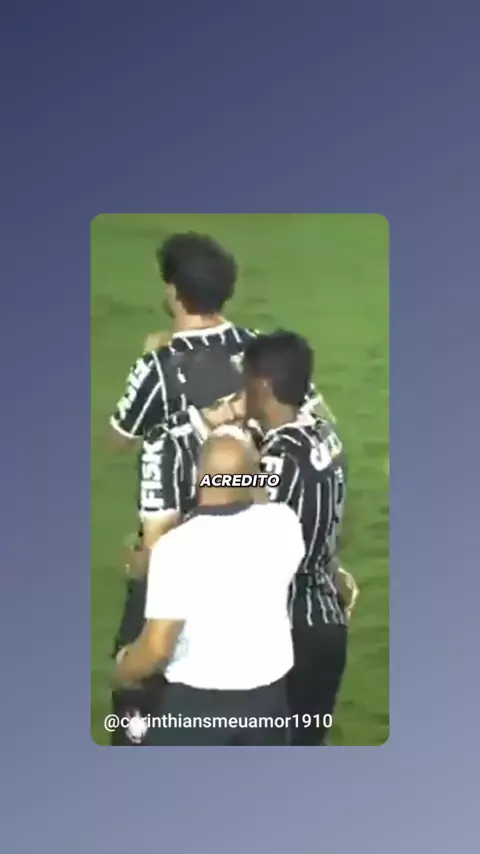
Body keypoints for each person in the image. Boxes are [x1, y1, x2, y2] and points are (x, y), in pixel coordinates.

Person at [113, 433, 305, 746]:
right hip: (268, 702)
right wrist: (249, 471)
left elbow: (157, 649)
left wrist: (124, 669)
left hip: (198, 705)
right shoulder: (284, 524)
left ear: (198, 477)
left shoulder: (176, 548)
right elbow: (259, 498)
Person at [109, 351, 246, 745]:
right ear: (197, 405)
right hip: (169, 588)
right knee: (142, 698)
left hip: (227, 592)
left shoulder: (245, 434)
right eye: (219, 404)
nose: (232, 412)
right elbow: (159, 545)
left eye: (236, 398)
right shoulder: (166, 446)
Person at [242, 330, 359, 745]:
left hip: (286, 634)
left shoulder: (276, 462)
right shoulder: (327, 436)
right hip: (328, 624)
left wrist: (216, 475)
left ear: (262, 386)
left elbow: (242, 532)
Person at [108, 232, 258, 451]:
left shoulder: (159, 369)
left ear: (173, 290)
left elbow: (118, 442)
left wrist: (147, 364)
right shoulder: (262, 345)